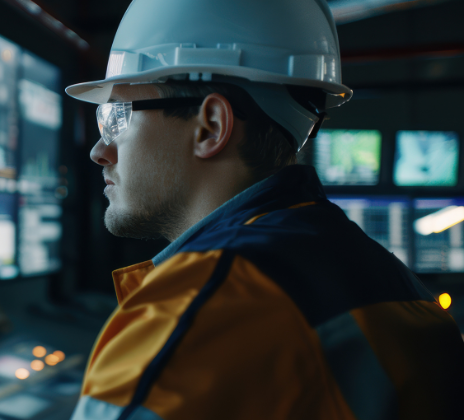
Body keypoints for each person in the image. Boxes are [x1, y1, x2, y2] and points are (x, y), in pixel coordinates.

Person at [66, 0, 464, 419]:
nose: (99, 150)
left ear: (211, 127)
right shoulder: (399, 286)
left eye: (118, 117)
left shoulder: (192, 315)